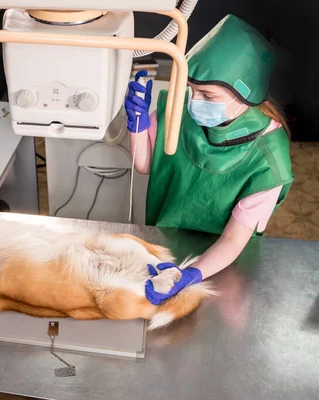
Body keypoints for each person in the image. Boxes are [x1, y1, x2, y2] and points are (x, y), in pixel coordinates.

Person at [124, 15, 294, 304]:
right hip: (164, 240)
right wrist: (137, 125)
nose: (193, 100)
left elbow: (232, 241)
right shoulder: (178, 110)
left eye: (207, 94)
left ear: (245, 94)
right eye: (190, 88)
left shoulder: (269, 160)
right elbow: (144, 164)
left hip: (223, 260)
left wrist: (190, 274)